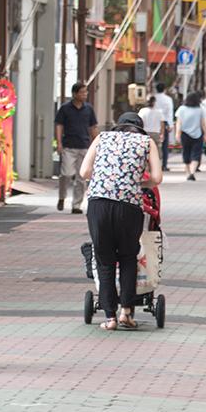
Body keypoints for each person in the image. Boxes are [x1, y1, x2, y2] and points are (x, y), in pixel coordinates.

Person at [79, 112, 163, 331]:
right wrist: (139, 185)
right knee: (127, 257)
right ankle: (126, 312)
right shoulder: (147, 141)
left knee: (104, 259)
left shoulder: (103, 137)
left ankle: (110, 318)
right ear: (140, 128)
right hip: (129, 206)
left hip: (99, 204)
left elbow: (84, 171)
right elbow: (157, 178)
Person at [54, 82, 99, 213]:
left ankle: (76, 205)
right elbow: (59, 125)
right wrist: (59, 143)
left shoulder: (89, 109)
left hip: (84, 146)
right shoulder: (65, 108)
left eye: (86, 92)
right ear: (74, 94)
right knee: (66, 174)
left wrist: (96, 144)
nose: (85, 94)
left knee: (81, 178)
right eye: (82, 92)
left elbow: (93, 127)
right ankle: (62, 197)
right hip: (69, 146)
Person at [174, 91, 205, 181]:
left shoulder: (181, 109)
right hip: (198, 134)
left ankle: (188, 172)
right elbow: (203, 124)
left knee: (186, 153)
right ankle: (192, 172)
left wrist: (177, 134)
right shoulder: (200, 109)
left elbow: (179, 123)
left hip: (185, 134)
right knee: (196, 154)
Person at [153, 83, 175, 169]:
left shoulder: (152, 98)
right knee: (164, 145)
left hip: (153, 123)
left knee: (153, 145)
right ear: (164, 89)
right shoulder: (168, 99)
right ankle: (164, 165)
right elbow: (170, 112)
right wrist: (170, 124)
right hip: (164, 123)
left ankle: (154, 166)